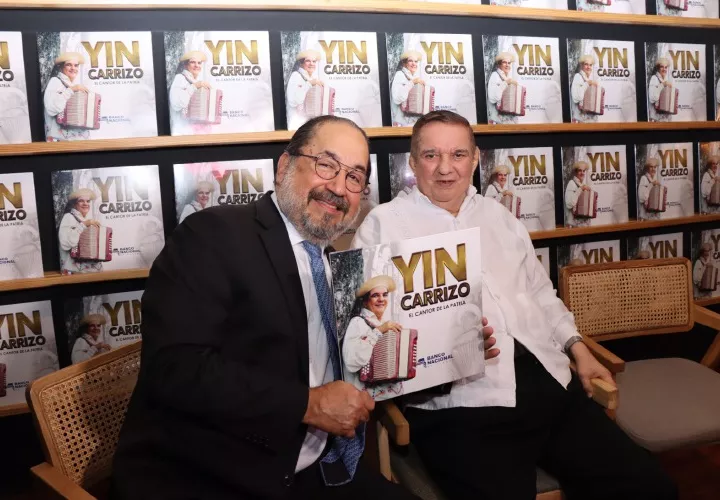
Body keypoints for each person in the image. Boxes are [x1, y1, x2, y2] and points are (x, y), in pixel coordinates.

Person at [352, 110, 678, 500]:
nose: (445, 168)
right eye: (431, 155)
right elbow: (369, 331)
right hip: (459, 406)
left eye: (458, 155)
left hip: (548, 382)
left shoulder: (499, 216)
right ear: (412, 161)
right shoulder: (383, 225)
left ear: (475, 160)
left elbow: (540, 293)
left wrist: (578, 348)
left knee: (651, 488)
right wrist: (440, 350)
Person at [111, 115, 427, 500]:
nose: (337, 188)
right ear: (284, 166)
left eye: (354, 177)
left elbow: (356, 360)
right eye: (326, 165)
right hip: (213, 476)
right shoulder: (212, 235)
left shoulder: (339, 266)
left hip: (316, 467)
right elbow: (174, 368)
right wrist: (307, 405)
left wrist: (449, 347)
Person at [342, 275, 405, 400]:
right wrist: (379, 331)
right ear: (365, 301)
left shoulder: (386, 323)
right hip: (368, 401)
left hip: (393, 396)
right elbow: (351, 361)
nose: (381, 299)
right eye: (375, 295)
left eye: (385, 295)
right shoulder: (358, 323)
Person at [43, 52, 92, 141]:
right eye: (69, 65)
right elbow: (51, 108)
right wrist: (72, 90)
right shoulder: (55, 81)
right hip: (59, 140)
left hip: (74, 141)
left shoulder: (73, 85)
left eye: (76, 65)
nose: (73, 68)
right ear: (61, 67)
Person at [58, 188, 103, 275]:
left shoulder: (86, 219)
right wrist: (84, 224)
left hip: (92, 271)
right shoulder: (68, 217)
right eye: (81, 201)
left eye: (88, 201)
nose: (85, 203)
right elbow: (66, 243)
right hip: (75, 272)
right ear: (75, 204)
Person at [169, 50, 214, 136]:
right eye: (193, 62)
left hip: (195, 133)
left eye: (199, 63)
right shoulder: (180, 78)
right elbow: (177, 102)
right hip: (181, 132)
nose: (197, 65)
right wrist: (195, 86)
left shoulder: (196, 81)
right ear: (186, 65)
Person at [286, 49, 324, 130]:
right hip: (297, 125)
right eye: (308, 61)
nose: (312, 64)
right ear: (301, 63)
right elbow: (294, 100)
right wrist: (310, 84)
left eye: (314, 61)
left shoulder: (313, 78)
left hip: (310, 125)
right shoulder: (296, 75)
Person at [390, 50, 425, 127]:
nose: (414, 64)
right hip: (401, 124)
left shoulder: (413, 77)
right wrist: (412, 82)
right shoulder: (400, 75)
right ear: (404, 63)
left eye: (416, 61)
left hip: (412, 123)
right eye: (410, 61)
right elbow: (398, 98)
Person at [487, 52, 518, 125]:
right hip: (497, 122)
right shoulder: (495, 75)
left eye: (509, 63)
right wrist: (506, 83)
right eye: (504, 62)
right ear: (499, 64)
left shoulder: (507, 77)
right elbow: (493, 98)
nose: (507, 65)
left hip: (507, 121)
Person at [571, 55, 600, 123]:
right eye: (586, 64)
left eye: (590, 65)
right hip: (580, 121)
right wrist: (588, 83)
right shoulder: (578, 77)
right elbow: (577, 97)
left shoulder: (589, 79)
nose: (588, 67)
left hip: (589, 120)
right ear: (581, 65)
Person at [564, 161, 593, 228]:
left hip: (584, 225)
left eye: (584, 171)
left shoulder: (583, 185)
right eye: (580, 170)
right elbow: (569, 204)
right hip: (574, 227)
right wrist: (581, 189)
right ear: (575, 172)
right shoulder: (571, 183)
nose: (582, 173)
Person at [648, 56, 673, 123]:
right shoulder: (654, 78)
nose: (664, 69)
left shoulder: (667, 80)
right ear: (658, 68)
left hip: (666, 120)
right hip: (656, 120)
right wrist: (663, 84)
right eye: (662, 67)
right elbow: (652, 98)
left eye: (666, 67)